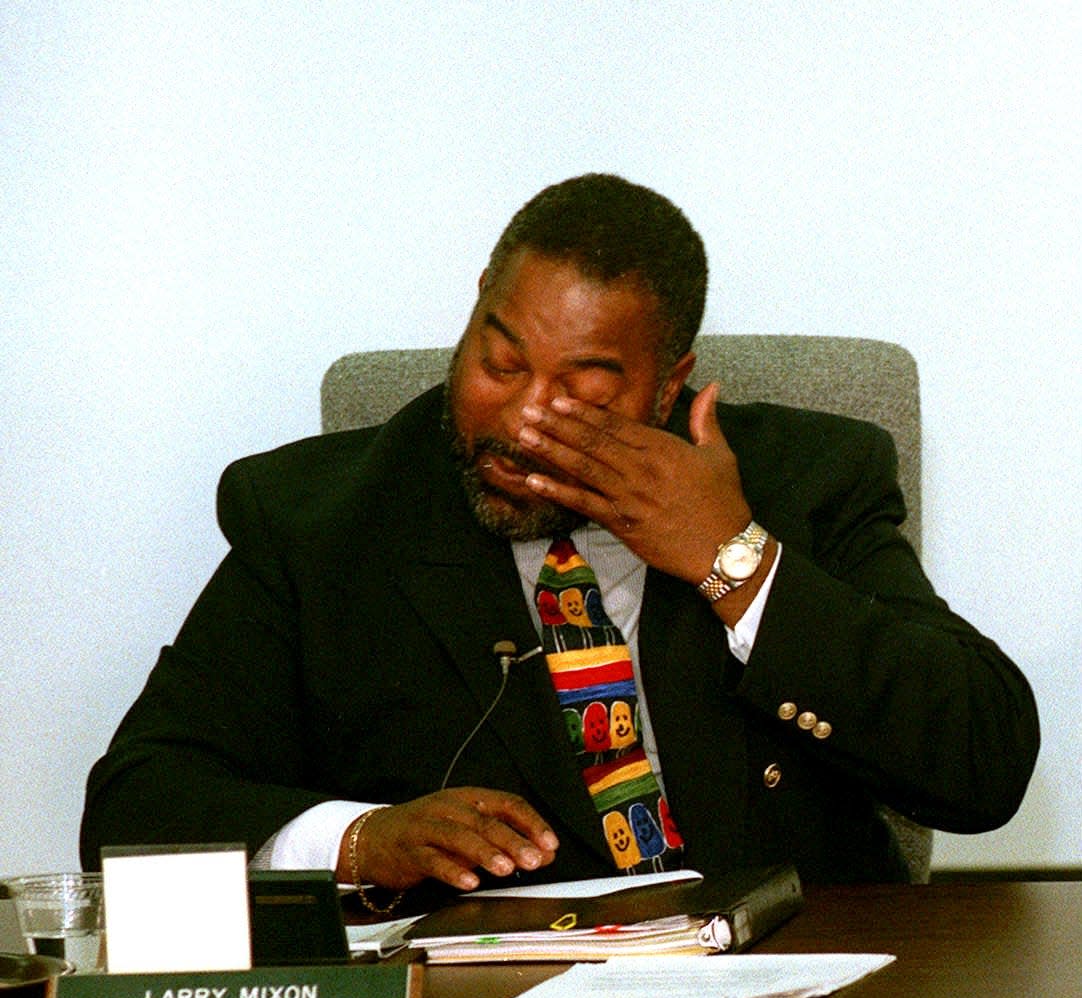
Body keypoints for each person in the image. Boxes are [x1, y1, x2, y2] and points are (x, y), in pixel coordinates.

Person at [80, 173, 1039, 901]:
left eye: (582, 387)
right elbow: (133, 811)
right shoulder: (319, 517)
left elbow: (985, 767)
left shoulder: (805, 480)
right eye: (499, 361)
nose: (525, 420)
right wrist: (361, 840)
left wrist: (732, 559)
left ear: (668, 386)